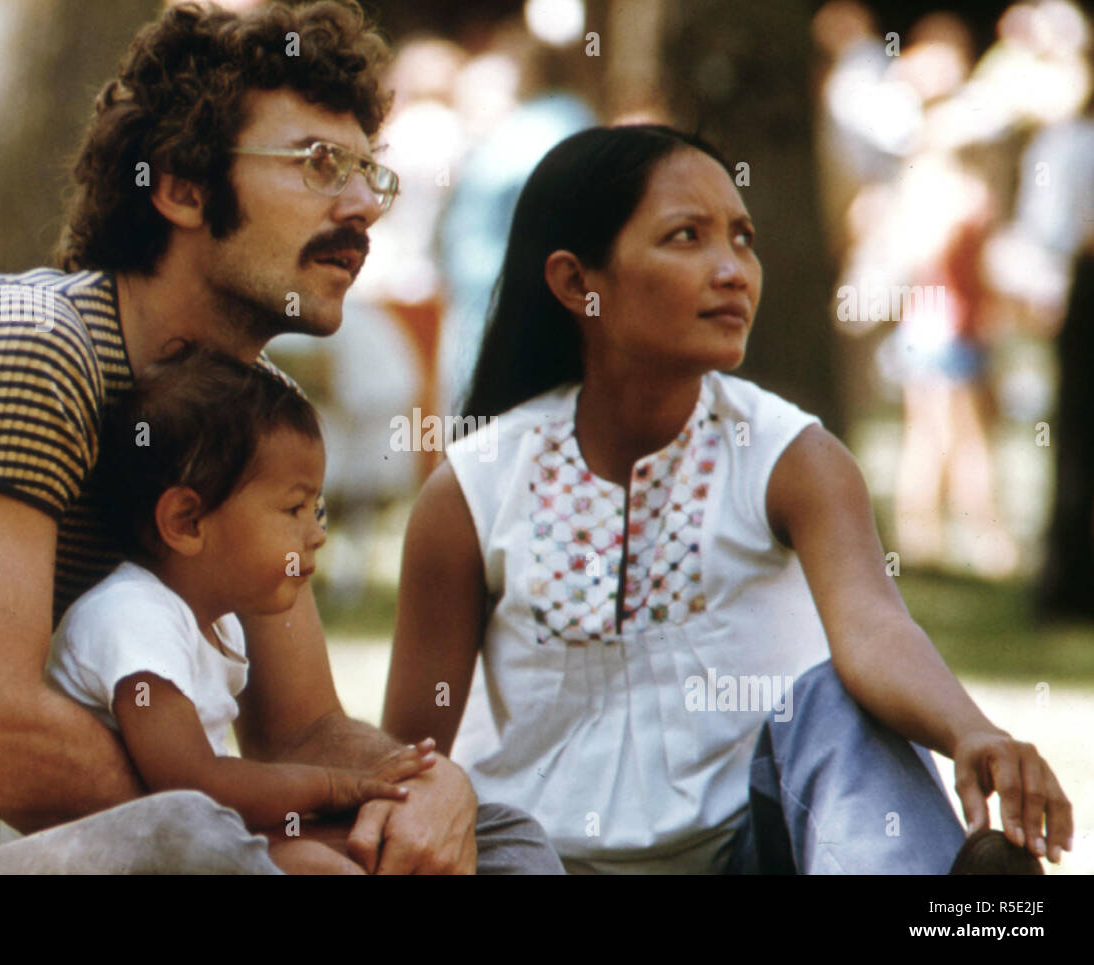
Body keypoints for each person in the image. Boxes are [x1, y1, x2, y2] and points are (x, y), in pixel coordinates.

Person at [0, 1, 562, 876]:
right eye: (319, 164)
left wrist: (421, 783)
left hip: (73, 844)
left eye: (367, 174)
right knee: (192, 841)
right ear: (180, 187)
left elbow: (299, 728)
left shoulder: (248, 409)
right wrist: (267, 830)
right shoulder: (27, 347)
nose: (363, 208)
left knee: (500, 839)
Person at [383, 124, 1072, 873]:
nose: (733, 270)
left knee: (835, 702)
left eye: (742, 239)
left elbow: (873, 632)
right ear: (579, 284)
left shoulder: (793, 456)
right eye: (687, 237)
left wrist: (972, 731)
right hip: (539, 861)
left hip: (750, 856)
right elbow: (409, 755)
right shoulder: (473, 487)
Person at [45, 344, 436, 874]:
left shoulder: (214, 621)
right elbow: (192, 785)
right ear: (186, 521)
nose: (317, 534)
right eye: (294, 508)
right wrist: (335, 785)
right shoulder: (132, 617)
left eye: (317, 509)